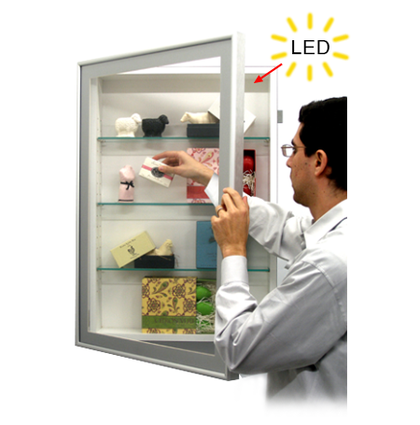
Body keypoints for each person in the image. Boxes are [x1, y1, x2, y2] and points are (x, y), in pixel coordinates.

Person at [154, 97, 347, 401]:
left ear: (319, 161)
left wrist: (233, 249)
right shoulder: (338, 234)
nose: (288, 161)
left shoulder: (329, 263)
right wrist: (205, 176)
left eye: (294, 150)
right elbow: (284, 228)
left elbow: (239, 348)